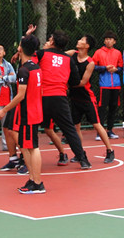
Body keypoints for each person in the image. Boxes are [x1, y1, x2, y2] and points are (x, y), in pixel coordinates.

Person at [0, 34, 46, 193]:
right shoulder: (35, 67)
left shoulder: (24, 70)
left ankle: (38, 183)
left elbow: (20, 95)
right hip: (34, 110)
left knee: (33, 148)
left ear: (21, 49)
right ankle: (32, 179)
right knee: (26, 146)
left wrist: (4, 110)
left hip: (29, 112)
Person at [37, 30, 92, 169]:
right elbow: (75, 81)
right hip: (60, 98)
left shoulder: (41, 54)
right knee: (69, 130)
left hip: (41, 97)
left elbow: (29, 66)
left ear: (52, 41)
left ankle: (25, 160)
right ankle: (83, 159)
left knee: (29, 127)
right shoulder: (68, 59)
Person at [65, 35, 115, 163]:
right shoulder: (72, 54)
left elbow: (83, 82)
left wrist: (66, 84)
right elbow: (58, 55)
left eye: (82, 40)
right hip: (75, 98)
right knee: (76, 127)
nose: (78, 40)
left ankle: (110, 150)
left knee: (96, 125)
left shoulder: (90, 63)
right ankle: (80, 153)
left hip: (87, 98)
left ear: (87, 46)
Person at [92, 30, 123, 139]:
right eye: (106, 39)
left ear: (114, 41)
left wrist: (116, 69)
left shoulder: (118, 53)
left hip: (116, 85)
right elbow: (93, 66)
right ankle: (100, 132)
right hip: (104, 85)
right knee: (102, 108)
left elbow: (121, 67)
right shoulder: (98, 52)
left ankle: (110, 130)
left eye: (110, 39)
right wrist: (105, 68)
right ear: (104, 41)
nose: (108, 41)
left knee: (113, 107)